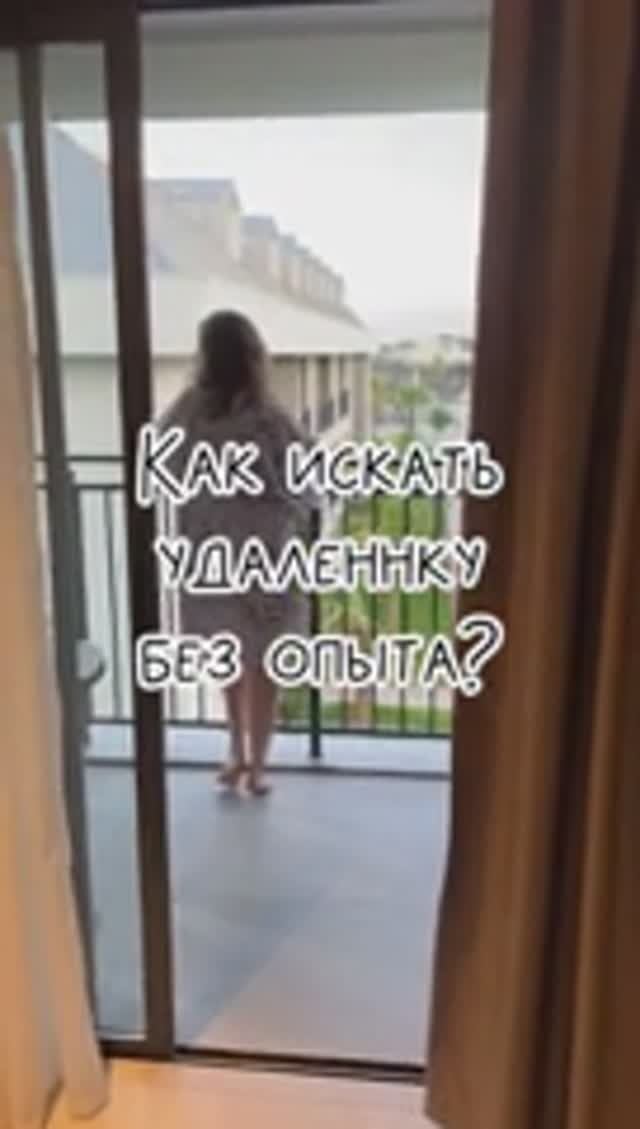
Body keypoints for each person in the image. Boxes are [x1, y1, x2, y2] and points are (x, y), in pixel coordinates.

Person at [160, 310, 316, 796]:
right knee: (262, 663)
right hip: (262, 556)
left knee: (230, 659)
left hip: (210, 555)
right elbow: (306, 480)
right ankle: (256, 765)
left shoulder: (190, 410)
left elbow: (164, 459)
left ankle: (237, 752)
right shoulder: (269, 417)